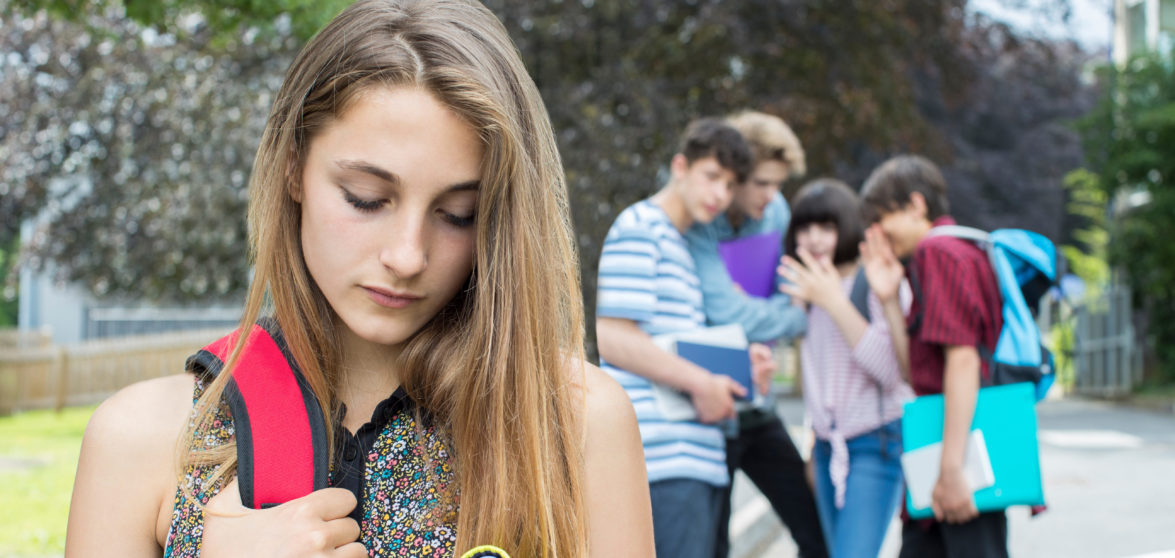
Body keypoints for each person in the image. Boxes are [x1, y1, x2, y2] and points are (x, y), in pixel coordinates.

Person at [64, 1, 654, 556]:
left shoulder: (574, 422)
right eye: (367, 199)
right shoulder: (142, 438)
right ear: (293, 168)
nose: (407, 256)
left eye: (458, 215)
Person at [595, 118, 774, 558]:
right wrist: (702, 383)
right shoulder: (641, 227)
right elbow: (613, 337)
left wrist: (740, 372)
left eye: (730, 185)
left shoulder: (682, 245)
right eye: (711, 176)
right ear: (680, 166)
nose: (719, 195)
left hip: (697, 459)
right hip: (660, 462)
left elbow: (669, 344)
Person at [682, 110, 827, 558]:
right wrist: (796, 316)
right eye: (762, 183)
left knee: (816, 530)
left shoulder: (776, 213)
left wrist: (761, 309)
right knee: (712, 547)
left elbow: (790, 288)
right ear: (736, 176)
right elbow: (725, 312)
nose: (772, 195)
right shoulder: (701, 221)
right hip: (711, 411)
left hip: (759, 408)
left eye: (778, 184)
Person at [858, 155, 1008, 558]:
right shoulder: (961, 249)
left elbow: (962, 362)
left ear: (916, 205)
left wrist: (952, 469)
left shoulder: (938, 254)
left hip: (955, 454)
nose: (877, 232)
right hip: (948, 448)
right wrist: (890, 300)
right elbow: (918, 372)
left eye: (882, 216)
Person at [777, 179, 914, 557]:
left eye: (827, 227)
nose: (815, 239)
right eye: (805, 228)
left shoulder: (876, 281)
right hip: (826, 447)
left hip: (875, 441)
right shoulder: (803, 292)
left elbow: (891, 371)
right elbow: (817, 379)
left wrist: (834, 302)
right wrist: (812, 442)